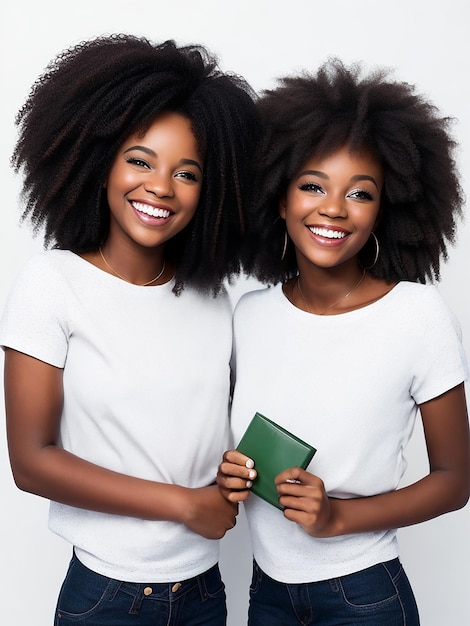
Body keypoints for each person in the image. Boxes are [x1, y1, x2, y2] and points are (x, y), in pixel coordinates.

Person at [0, 33, 260, 626]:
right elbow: (31, 462)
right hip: (107, 597)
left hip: (203, 592)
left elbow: (196, 431)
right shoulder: (51, 283)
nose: (161, 188)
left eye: (187, 172)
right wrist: (182, 505)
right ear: (100, 161)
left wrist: (227, 471)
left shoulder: (212, 299)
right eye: (140, 160)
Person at [217, 58, 470, 625]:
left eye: (360, 193)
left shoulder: (417, 315)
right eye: (312, 186)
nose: (333, 208)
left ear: (384, 210)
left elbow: (455, 481)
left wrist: (337, 518)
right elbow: (228, 441)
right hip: (267, 594)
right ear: (279, 200)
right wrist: (227, 473)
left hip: (363, 595)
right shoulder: (249, 316)